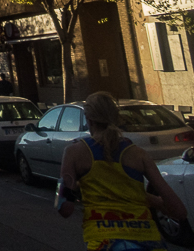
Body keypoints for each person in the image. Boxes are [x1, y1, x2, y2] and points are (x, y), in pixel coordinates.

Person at [58, 92, 187, 250]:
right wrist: (145, 198)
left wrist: (74, 188)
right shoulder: (139, 155)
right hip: (148, 242)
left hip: (105, 243)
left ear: (88, 119)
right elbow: (179, 211)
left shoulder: (73, 152)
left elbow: (64, 208)